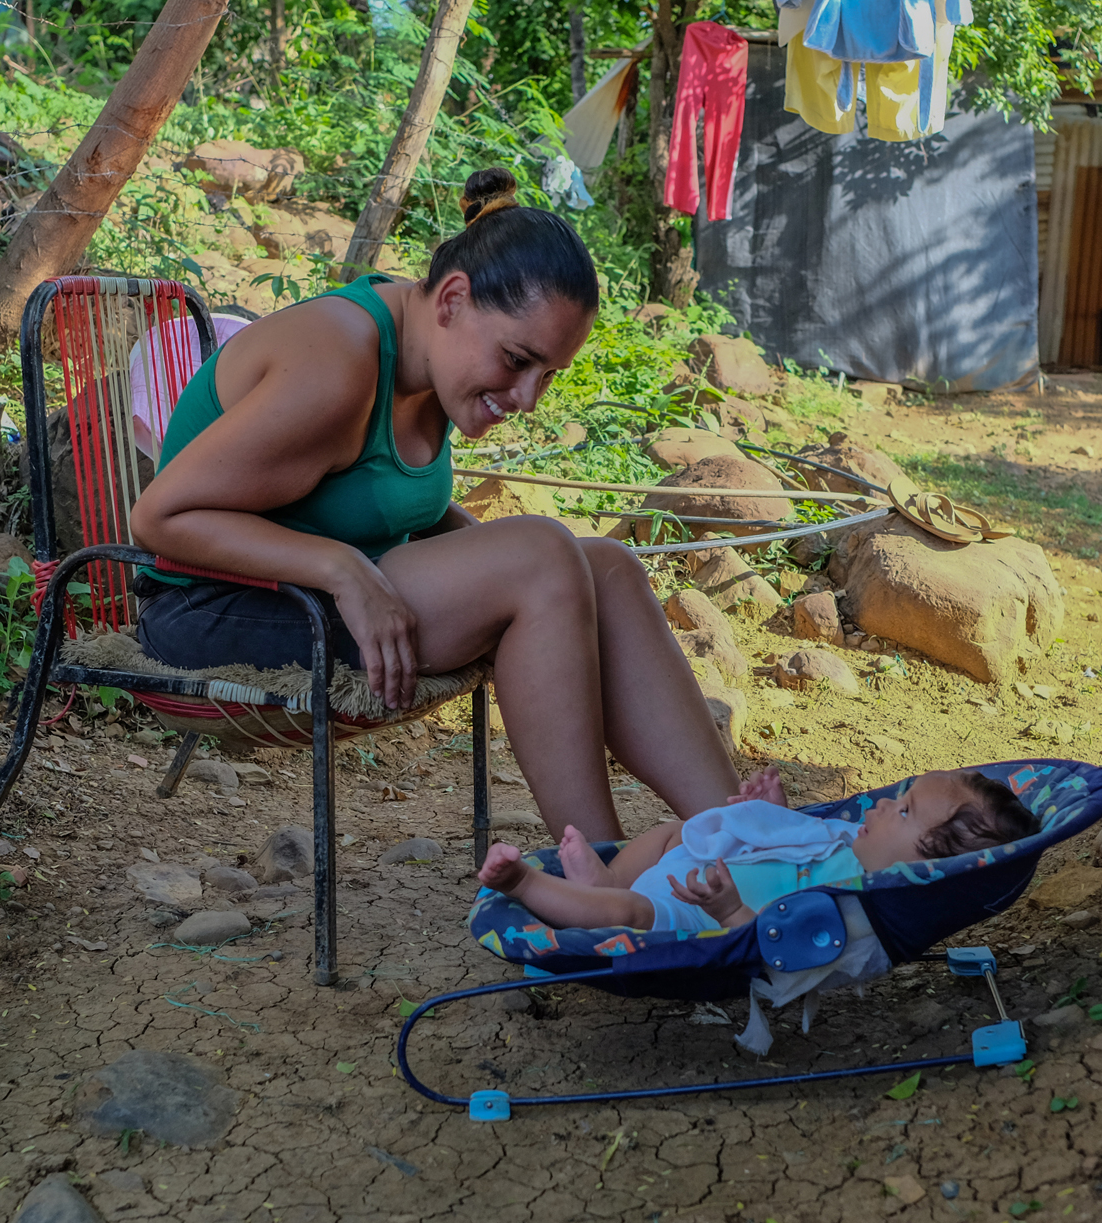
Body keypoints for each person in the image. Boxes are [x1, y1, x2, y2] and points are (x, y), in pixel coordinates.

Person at [128, 168, 740, 843]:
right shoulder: (339, 359)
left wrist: (505, 566)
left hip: (318, 594)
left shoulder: (433, 359)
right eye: (517, 360)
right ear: (452, 299)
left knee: (609, 568)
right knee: (542, 557)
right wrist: (341, 568)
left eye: (548, 376)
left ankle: (749, 836)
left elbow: (378, 500)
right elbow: (160, 519)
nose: (528, 398)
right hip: (211, 612)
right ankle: (596, 866)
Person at [474, 766, 1037, 933]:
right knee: (677, 830)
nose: (886, 805)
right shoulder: (855, 844)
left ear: (926, 864)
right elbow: (801, 845)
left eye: (905, 811)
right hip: (701, 871)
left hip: (695, 914)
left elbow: (772, 938)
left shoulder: (849, 900)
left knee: (631, 914)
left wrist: (726, 910)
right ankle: (605, 881)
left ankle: (527, 884)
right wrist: (779, 814)